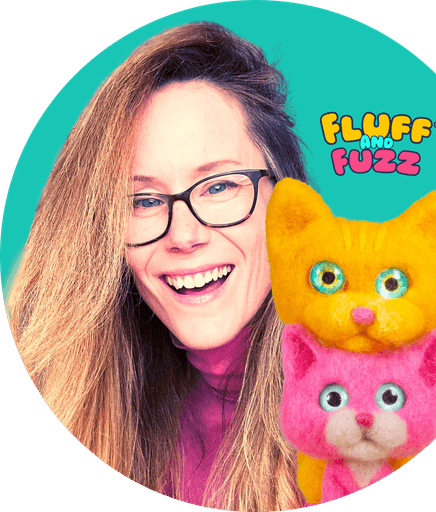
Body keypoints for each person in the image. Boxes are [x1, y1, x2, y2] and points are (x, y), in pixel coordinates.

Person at [8, 22, 309, 511]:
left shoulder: (364, 421)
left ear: (288, 200)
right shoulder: (73, 414)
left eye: (219, 186)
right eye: (144, 201)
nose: (184, 236)